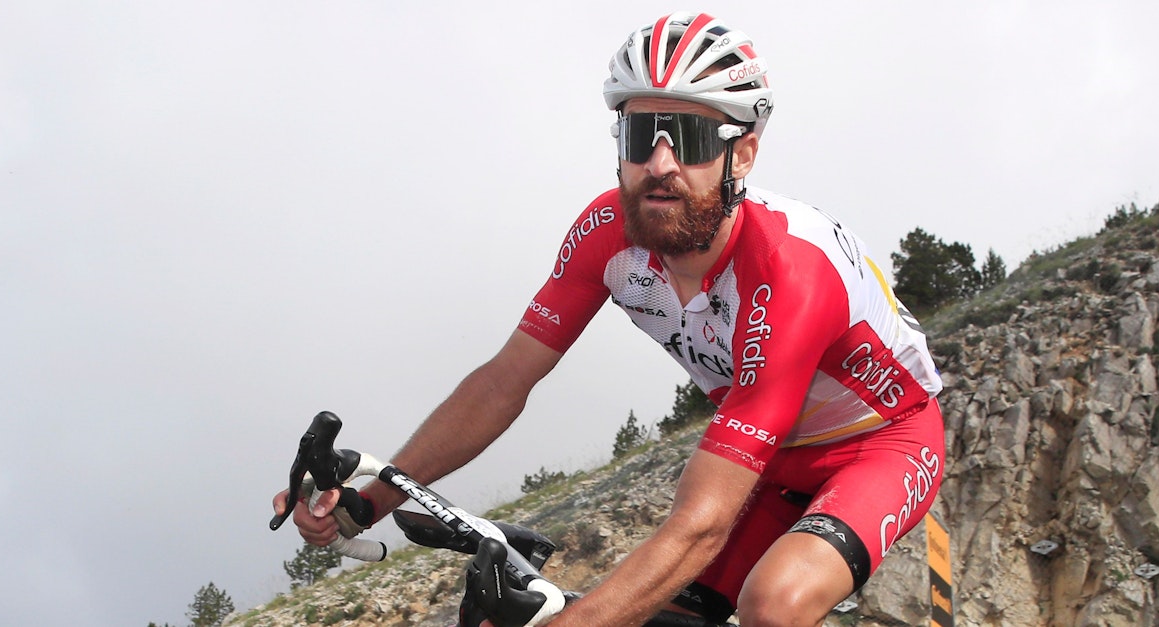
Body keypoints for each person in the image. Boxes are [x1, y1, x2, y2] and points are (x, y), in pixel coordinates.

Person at [273, 11, 946, 627]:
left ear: (741, 154)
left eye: (687, 136)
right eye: (639, 134)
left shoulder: (791, 268)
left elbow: (701, 525)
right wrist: (369, 501)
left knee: (773, 601)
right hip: (768, 460)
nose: (660, 163)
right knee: (663, 615)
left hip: (882, 442)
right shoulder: (606, 235)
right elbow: (503, 382)